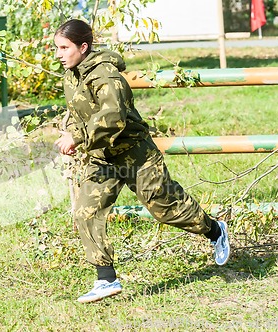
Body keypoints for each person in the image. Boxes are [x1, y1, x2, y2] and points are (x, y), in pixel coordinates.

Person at [53, 19, 230, 304]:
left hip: (136, 155)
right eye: (57, 48)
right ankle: (106, 279)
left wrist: (79, 139)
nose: (59, 54)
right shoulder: (70, 76)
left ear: (83, 47)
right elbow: (79, 117)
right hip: (102, 158)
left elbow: (114, 118)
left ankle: (215, 230)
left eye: (64, 48)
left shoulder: (106, 76)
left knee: (166, 209)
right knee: (85, 211)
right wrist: (74, 134)